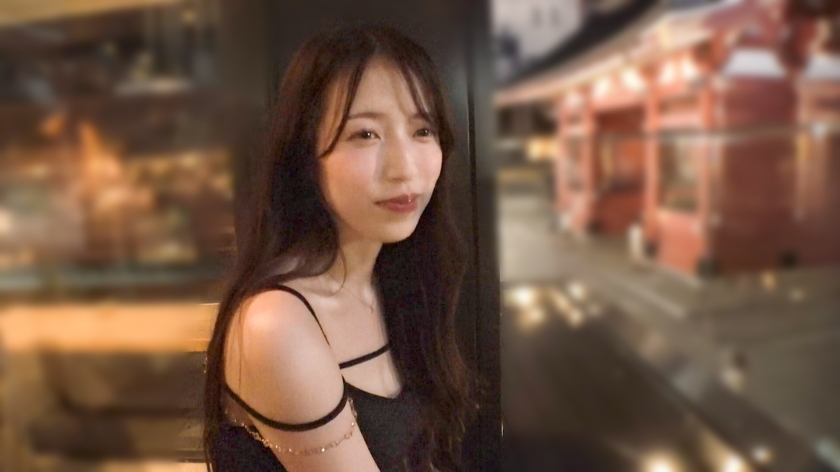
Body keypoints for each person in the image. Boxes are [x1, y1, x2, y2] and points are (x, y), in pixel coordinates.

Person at [203, 25, 476, 472]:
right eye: (365, 134)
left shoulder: (390, 278)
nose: (404, 168)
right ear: (305, 155)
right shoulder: (278, 326)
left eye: (422, 130)